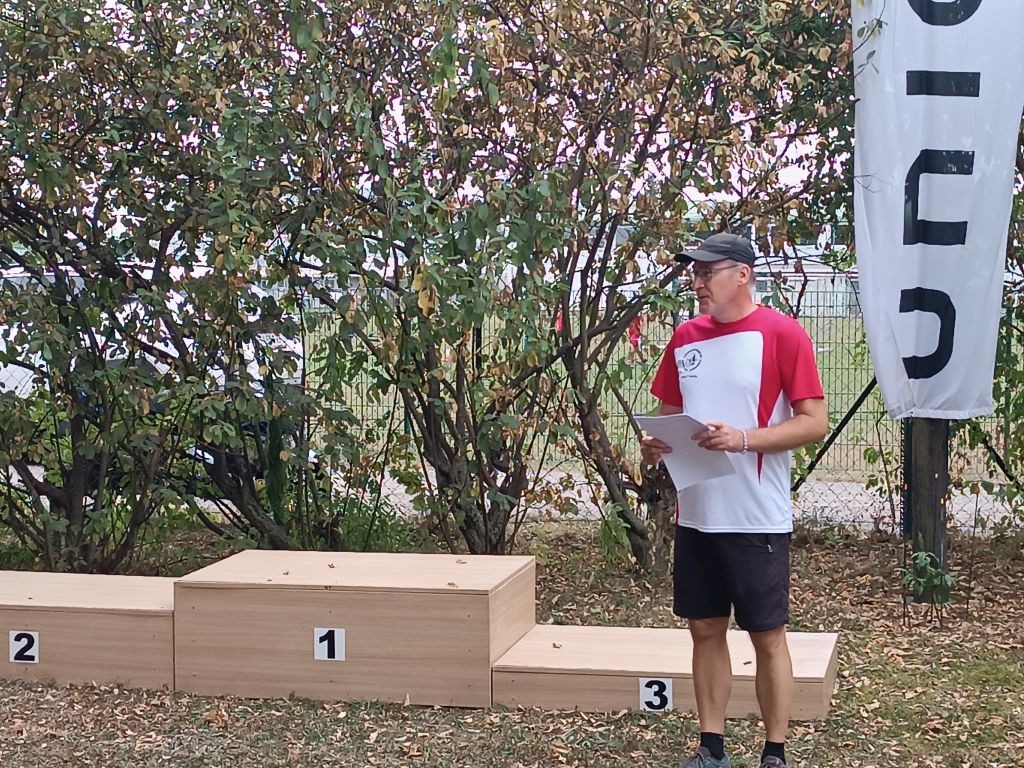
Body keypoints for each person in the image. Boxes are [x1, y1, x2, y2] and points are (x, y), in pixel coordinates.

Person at [640, 232, 827, 768]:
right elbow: (670, 419)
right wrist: (654, 446)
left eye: (707, 272)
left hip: (756, 515)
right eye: (693, 274)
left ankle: (775, 752)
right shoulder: (685, 337)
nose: (696, 282)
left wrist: (743, 438)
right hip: (697, 513)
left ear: (742, 274)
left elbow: (814, 422)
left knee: (767, 636)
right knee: (704, 629)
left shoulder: (782, 333)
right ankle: (711, 748)